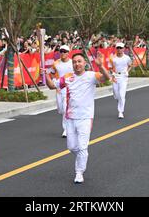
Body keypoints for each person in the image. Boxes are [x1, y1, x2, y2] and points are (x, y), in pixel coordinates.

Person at [44, 51, 110, 184]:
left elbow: (106, 78)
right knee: (72, 147)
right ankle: (82, 155)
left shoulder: (91, 76)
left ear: (84, 63)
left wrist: (101, 66)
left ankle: (79, 172)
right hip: (70, 118)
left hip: (85, 117)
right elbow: (52, 86)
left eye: (79, 61)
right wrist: (46, 75)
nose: (77, 64)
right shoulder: (68, 77)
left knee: (82, 147)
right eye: (74, 62)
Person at [49, 44, 74, 137]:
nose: (63, 53)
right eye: (61, 51)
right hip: (59, 88)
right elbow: (51, 72)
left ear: (68, 53)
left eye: (65, 51)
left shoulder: (72, 63)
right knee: (60, 109)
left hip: (68, 88)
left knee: (65, 108)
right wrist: (53, 81)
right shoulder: (56, 63)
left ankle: (66, 129)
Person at [108, 42, 132, 119]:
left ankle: (120, 112)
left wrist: (127, 71)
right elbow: (110, 67)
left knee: (122, 95)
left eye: (120, 48)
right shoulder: (112, 58)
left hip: (123, 77)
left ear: (123, 49)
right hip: (115, 76)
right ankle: (119, 100)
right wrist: (113, 73)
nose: (119, 49)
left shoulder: (127, 57)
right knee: (116, 93)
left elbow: (130, 65)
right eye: (118, 48)